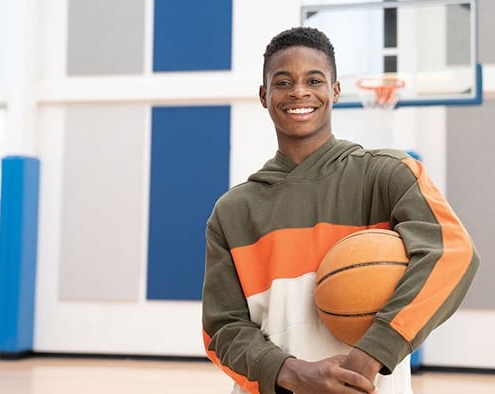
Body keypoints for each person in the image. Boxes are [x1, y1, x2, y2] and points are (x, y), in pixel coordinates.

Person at [202, 27, 479, 394]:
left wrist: (374, 351)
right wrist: (291, 372)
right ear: (264, 95)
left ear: (334, 90)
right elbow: (221, 329)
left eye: (313, 79)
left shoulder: (387, 175)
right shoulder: (233, 211)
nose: (299, 91)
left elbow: (453, 254)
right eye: (283, 82)